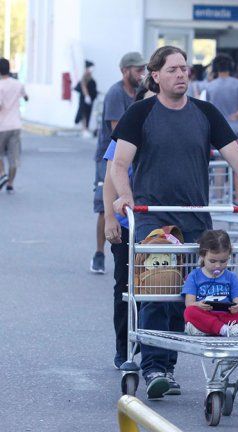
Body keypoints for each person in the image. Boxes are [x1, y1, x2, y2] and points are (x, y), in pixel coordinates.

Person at [110, 46, 238, 400]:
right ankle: (154, 365)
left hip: (196, 218)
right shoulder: (140, 113)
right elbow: (119, 164)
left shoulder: (206, 113)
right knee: (158, 291)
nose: (181, 74)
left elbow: (237, 157)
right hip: (154, 218)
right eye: (173, 69)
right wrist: (124, 197)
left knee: (192, 296)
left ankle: (166, 366)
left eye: (185, 69)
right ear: (156, 76)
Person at [103, 83, 155, 370]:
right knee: (124, 289)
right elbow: (110, 179)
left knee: (159, 289)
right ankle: (124, 350)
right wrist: (110, 219)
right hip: (127, 225)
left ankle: (155, 353)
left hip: (159, 227)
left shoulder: (167, 135)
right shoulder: (124, 136)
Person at [90, 51, 146, 274]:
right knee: (106, 207)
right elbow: (118, 132)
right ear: (125, 71)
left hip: (134, 156)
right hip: (111, 156)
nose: (141, 74)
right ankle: (99, 252)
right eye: (138, 69)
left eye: (144, 70)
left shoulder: (140, 93)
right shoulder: (116, 93)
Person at [182, 230, 238, 337]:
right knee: (190, 312)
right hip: (205, 314)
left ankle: (208, 329)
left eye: (223, 261)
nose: (218, 266)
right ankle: (223, 329)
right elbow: (189, 303)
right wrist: (198, 305)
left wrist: (237, 306)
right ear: (202, 255)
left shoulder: (231, 277)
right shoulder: (194, 276)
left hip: (225, 315)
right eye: (213, 261)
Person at [0, 58, 27, 194]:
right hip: (15, 125)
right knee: (13, 156)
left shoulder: (0, 86)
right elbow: (26, 97)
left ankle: (3, 174)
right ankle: (10, 183)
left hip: (2, 126)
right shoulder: (18, 84)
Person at [74, 60, 97, 137]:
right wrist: (87, 96)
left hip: (89, 99)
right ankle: (84, 129)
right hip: (84, 100)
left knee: (88, 114)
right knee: (83, 114)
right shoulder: (85, 77)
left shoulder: (90, 77)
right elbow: (83, 87)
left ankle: (86, 129)